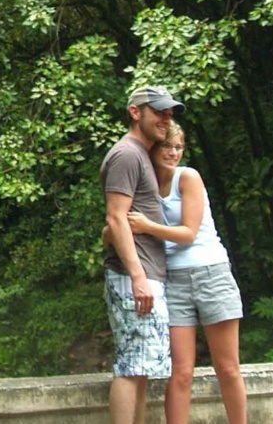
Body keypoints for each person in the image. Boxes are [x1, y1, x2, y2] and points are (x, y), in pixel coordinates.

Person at [127, 121, 247, 424]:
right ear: (153, 148)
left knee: (228, 368)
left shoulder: (188, 177)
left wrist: (146, 226)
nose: (173, 152)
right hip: (174, 281)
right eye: (167, 146)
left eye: (178, 147)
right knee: (180, 372)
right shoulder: (146, 184)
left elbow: (188, 233)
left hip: (210, 272)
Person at [101, 84, 182, 424]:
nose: (166, 117)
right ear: (136, 112)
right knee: (131, 367)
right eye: (159, 111)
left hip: (146, 275)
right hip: (135, 276)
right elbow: (116, 217)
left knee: (141, 368)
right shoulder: (127, 154)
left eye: (169, 111)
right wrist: (137, 277)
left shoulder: (140, 155)